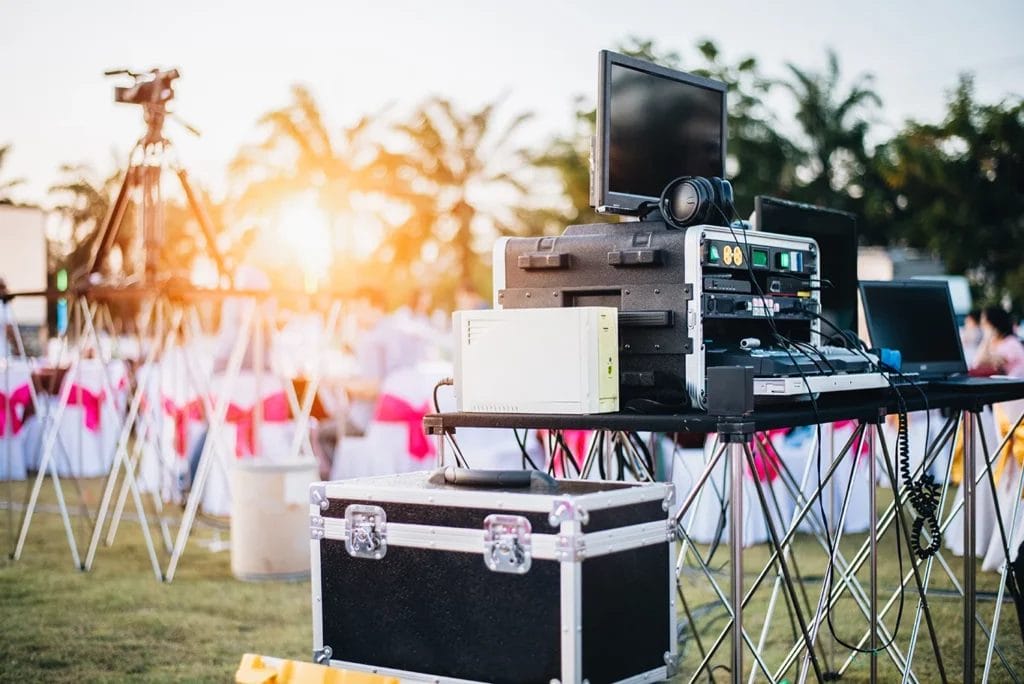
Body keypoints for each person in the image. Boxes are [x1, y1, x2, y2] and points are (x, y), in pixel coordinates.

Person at [973, 306, 1024, 378]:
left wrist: (987, 337)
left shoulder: (1011, 343)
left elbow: (980, 363)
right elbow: (976, 364)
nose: (981, 324)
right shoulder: (995, 342)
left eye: (984, 322)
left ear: (992, 323)